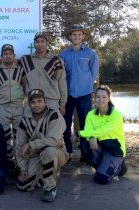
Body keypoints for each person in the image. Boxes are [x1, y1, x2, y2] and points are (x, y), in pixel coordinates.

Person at [15, 89, 68, 202]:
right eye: (33, 102)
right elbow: (20, 146)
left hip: (58, 153)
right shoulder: (24, 121)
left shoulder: (54, 115)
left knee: (48, 151)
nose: (36, 105)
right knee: (23, 185)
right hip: (37, 156)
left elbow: (53, 140)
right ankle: (47, 173)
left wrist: (31, 144)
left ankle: (51, 188)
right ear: (29, 104)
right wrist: (23, 168)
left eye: (39, 101)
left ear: (45, 101)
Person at [59, 25, 99, 159]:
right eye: (74, 35)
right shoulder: (63, 55)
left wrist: (88, 88)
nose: (76, 37)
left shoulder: (90, 54)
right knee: (65, 124)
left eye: (79, 34)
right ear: (70, 37)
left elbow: (93, 74)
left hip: (85, 95)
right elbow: (60, 75)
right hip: (68, 95)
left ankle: (85, 153)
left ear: (83, 36)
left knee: (85, 124)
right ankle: (68, 153)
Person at [0, 44, 25, 183]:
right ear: (1, 56)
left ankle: (20, 166)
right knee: (4, 137)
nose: (8, 55)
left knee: (19, 136)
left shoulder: (21, 70)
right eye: (5, 53)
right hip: (2, 107)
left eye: (10, 53)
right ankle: (7, 165)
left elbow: (25, 86)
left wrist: (20, 98)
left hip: (17, 105)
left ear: (14, 55)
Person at [76, 85, 127, 184]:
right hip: (101, 147)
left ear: (109, 98)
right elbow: (89, 130)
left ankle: (119, 168)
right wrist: (91, 137)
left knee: (100, 179)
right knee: (85, 146)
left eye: (104, 97)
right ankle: (104, 167)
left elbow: (103, 130)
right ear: (94, 98)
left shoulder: (116, 115)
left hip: (114, 150)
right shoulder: (91, 114)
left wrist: (79, 133)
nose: (101, 99)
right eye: (98, 97)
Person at [18, 32, 67, 115]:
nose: (40, 44)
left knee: (52, 127)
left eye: (42, 41)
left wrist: (62, 104)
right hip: (32, 101)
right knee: (30, 127)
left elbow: (62, 82)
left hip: (51, 101)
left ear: (47, 43)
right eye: (37, 42)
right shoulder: (25, 60)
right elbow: (20, 81)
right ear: (34, 44)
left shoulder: (56, 61)